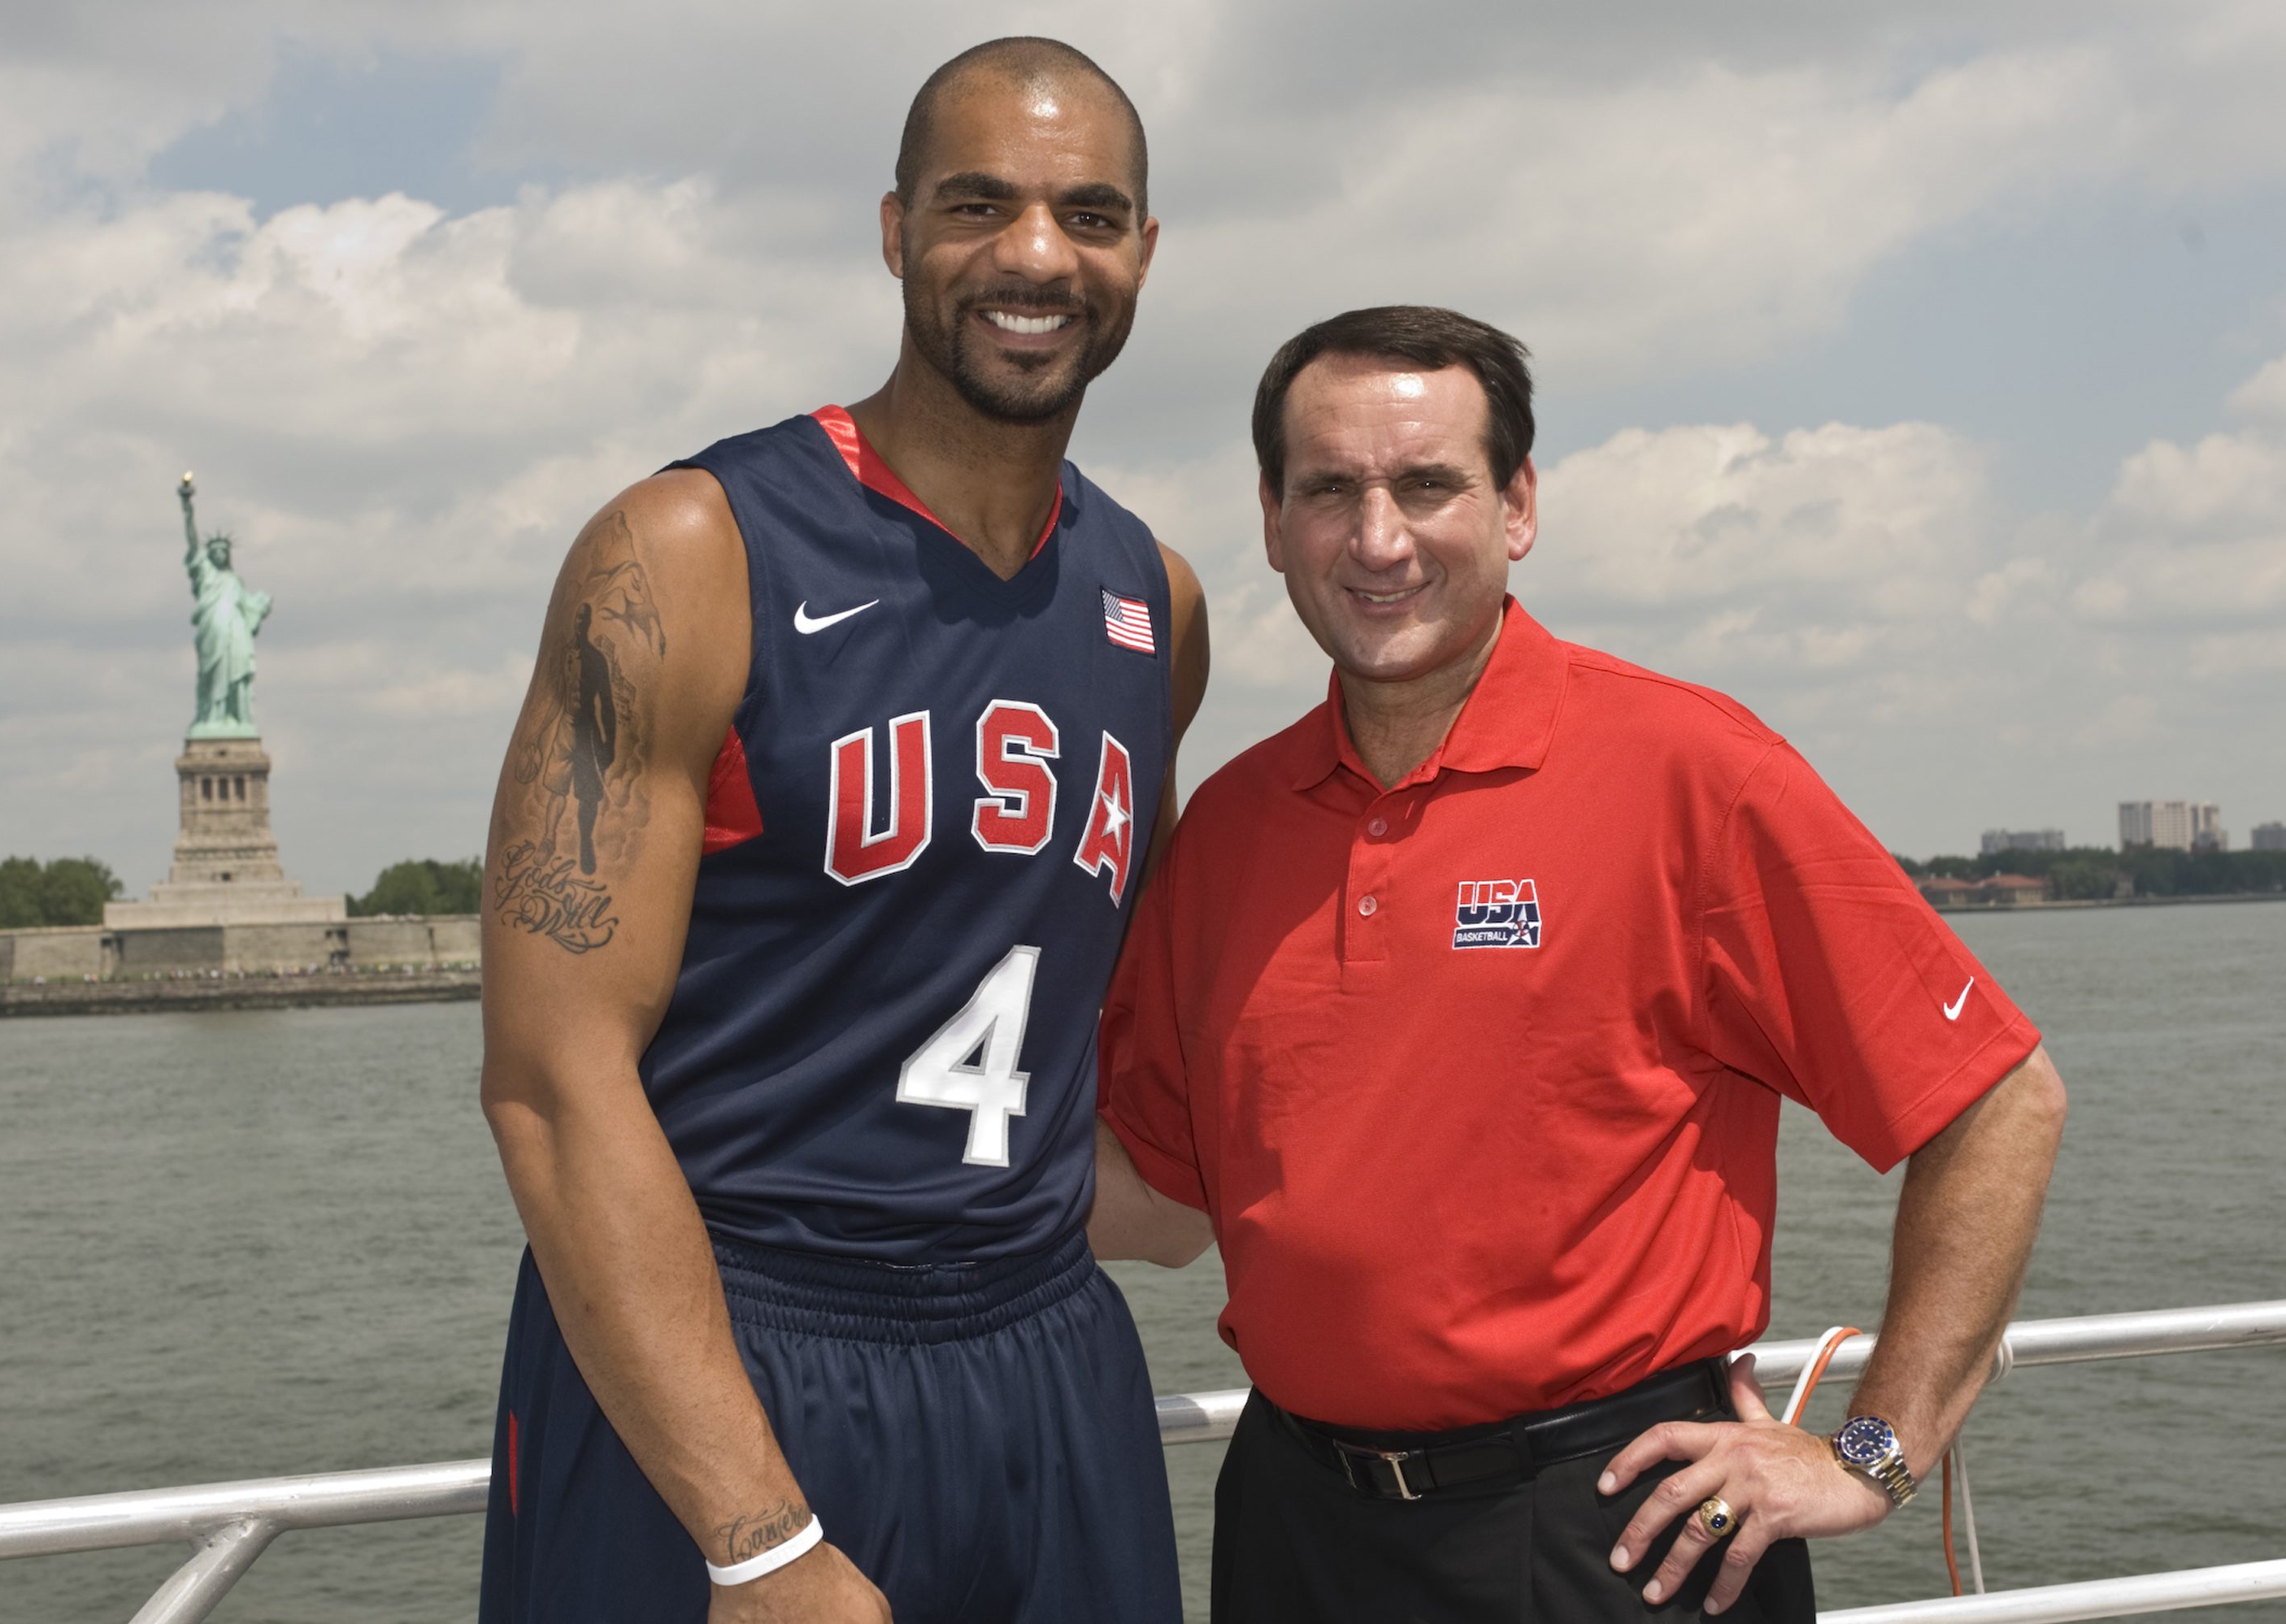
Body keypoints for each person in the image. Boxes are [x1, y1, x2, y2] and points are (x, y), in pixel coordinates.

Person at [1091, 305, 2067, 1621]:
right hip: (1296, 1525)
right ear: (1272, 521)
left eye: (1427, 483)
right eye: (1330, 490)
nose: (1377, 539)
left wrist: (1868, 1451)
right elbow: (1159, 1197)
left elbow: (1996, 1098)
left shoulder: (1691, 773)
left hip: (1616, 1530)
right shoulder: (1229, 828)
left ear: (1517, 505)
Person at [476, 37, 1208, 1624]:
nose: (1033, 255)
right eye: (976, 206)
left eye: (1087, 214)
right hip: (731, 1354)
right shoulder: (687, 551)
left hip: (1038, 1348)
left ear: (1140, 254)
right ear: (894, 232)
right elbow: (549, 1081)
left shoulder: (1155, 599)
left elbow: (1078, 1012)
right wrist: (751, 1532)